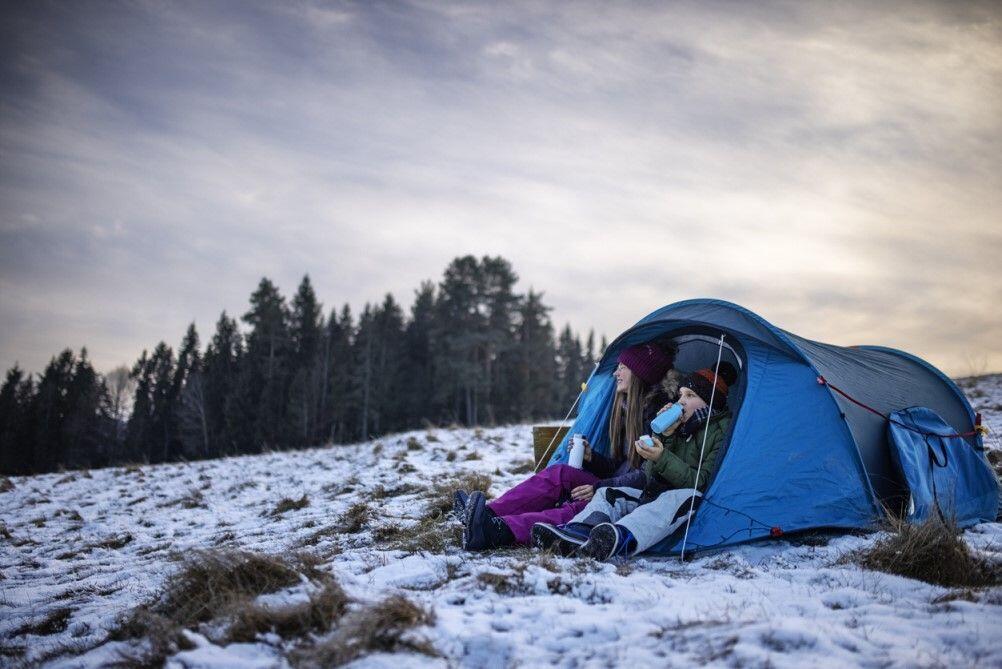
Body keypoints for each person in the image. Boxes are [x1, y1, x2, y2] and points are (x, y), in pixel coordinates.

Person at [460, 340, 681, 551]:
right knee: (560, 474)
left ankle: (498, 531)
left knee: (582, 507)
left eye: (622, 367)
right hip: (616, 483)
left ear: (640, 372)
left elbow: (646, 475)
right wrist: (591, 457)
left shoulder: (660, 417)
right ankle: (487, 513)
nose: (616, 373)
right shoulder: (629, 409)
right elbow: (623, 465)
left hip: (636, 496)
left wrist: (599, 487)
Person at [531, 361, 737, 559]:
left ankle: (619, 537)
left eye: (690, 395)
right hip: (655, 495)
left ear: (709, 402)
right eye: (681, 394)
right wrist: (666, 437)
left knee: (683, 496)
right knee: (607, 493)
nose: (681, 400)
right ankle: (576, 532)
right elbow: (649, 476)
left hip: (685, 504)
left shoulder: (720, 431)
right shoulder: (680, 428)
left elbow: (702, 483)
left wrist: (662, 457)